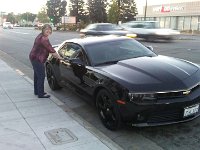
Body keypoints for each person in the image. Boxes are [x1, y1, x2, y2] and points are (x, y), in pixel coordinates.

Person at [29, 24, 62, 98]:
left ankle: (37, 91)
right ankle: (41, 94)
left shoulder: (41, 36)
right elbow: (51, 49)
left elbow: (48, 47)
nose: (48, 31)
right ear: (43, 30)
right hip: (37, 59)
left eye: (49, 29)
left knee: (37, 76)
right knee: (41, 76)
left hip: (34, 57)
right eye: (46, 29)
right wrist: (60, 58)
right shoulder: (43, 39)